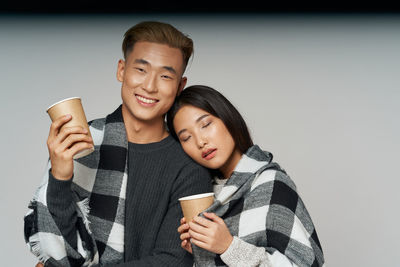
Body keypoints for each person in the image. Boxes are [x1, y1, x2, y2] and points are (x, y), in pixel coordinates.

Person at [24, 21, 213, 266]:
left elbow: (172, 261)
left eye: (165, 76)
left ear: (180, 86)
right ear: (121, 70)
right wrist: (59, 177)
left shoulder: (189, 165)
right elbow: (54, 247)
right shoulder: (80, 138)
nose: (150, 86)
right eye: (141, 70)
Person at [166, 85, 325, 266]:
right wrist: (200, 254)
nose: (201, 142)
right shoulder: (205, 191)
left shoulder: (272, 185)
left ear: (227, 118)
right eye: (186, 138)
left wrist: (229, 247)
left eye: (206, 124)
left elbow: (306, 263)